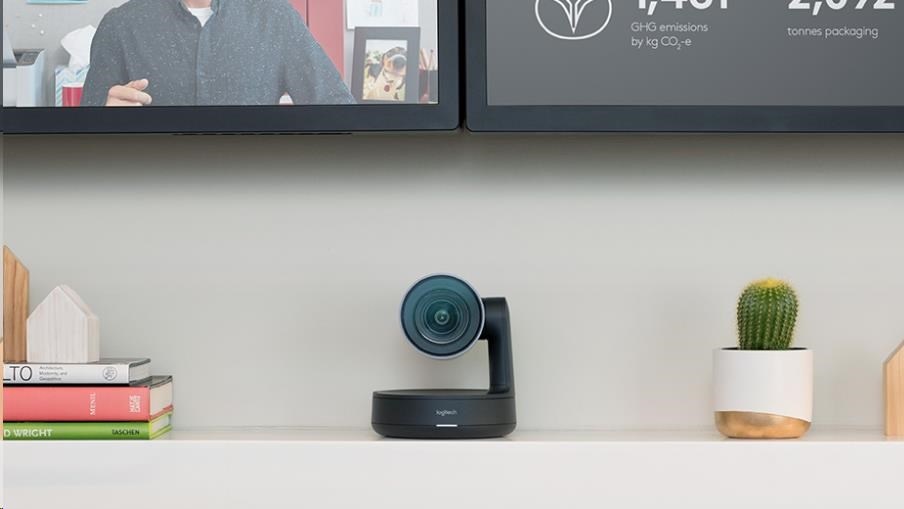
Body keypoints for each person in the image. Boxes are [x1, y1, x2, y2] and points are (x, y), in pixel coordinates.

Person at [82, 0, 355, 107]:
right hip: (150, 198)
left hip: (253, 198)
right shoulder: (120, 24)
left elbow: (339, 111)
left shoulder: (276, 17)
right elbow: (83, 138)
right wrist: (105, 119)